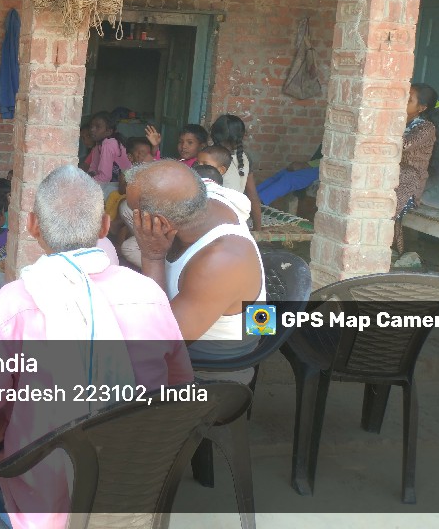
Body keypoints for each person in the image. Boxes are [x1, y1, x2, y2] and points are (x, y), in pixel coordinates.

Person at [0, 166, 191, 528]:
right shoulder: (148, 294)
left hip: (47, 503)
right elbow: (179, 389)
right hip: (136, 487)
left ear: (32, 226)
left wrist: (0, 431)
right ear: (104, 226)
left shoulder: (15, 305)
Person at [128, 160, 265, 362]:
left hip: (217, 358)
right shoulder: (201, 199)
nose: (134, 221)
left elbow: (162, 343)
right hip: (196, 322)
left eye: (135, 213)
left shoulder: (219, 262)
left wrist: (152, 257)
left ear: (161, 223)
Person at [394, 83, 439, 256]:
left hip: (409, 182)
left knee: (388, 211)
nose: (402, 101)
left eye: (409, 99)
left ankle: (394, 252)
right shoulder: (398, 121)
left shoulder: (426, 128)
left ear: (421, 108)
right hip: (393, 176)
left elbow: (403, 145)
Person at [210, 114, 262, 231]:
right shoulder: (245, 158)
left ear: (213, 134)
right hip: (238, 221)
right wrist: (258, 229)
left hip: (214, 222)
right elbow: (253, 196)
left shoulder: (207, 157)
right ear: (242, 136)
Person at [257, 144, 323, 207]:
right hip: (318, 164)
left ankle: (257, 202)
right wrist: (307, 164)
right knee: (284, 173)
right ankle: (253, 196)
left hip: (323, 170)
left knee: (289, 179)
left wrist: (307, 165)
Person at [84, 111, 133, 196]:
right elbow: (93, 169)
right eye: (91, 126)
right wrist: (86, 179)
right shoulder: (98, 145)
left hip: (123, 186)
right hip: (112, 183)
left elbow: (105, 177)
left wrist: (85, 183)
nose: (92, 130)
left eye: (97, 127)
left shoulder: (108, 144)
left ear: (109, 131)